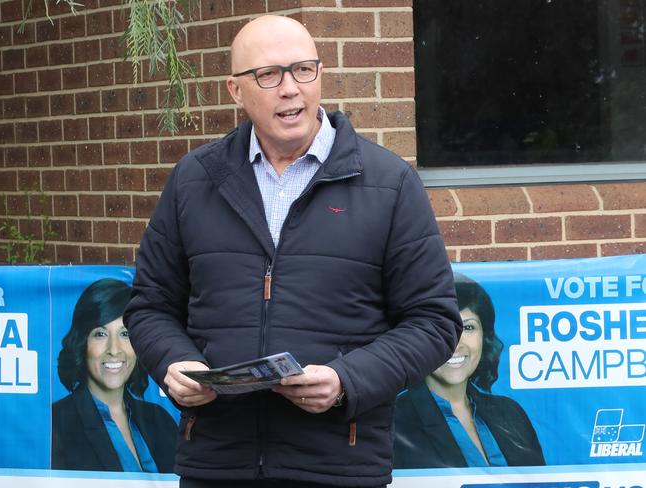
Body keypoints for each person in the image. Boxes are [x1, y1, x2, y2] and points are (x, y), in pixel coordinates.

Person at [124, 14, 462, 488]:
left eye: (304, 69)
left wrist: (348, 380)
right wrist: (173, 363)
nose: (290, 88)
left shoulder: (390, 183)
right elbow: (150, 305)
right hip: (217, 463)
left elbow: (433, 321)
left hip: (338, 465)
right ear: (236, 91)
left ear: (320, 75)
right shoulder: (193, 180)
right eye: (268, 74)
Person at [393, 273, 545, 468]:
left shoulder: (511, 414)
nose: (456, 343)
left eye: (468, 327)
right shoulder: (395, 422)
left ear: (485, 337)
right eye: (441, 328)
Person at [52, 278, 177, 472]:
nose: (114, 350)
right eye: (100, 334)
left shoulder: (159, 419)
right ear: (82, 342)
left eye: (125, 334)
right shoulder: (57, 423)